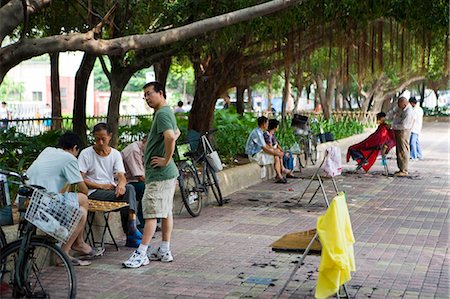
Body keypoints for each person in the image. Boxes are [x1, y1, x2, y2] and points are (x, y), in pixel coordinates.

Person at [123, 81, 180, 268]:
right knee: (165, 212)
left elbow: (171, 136)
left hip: (160, 174)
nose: (147, 98)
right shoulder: (166, 112)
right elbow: (176, 132)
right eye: (144, 95)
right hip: (166, 174)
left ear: (161, 93)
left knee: (151, 214)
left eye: (149, 94)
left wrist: (165, 159)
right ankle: (164, 249)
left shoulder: (163, 113)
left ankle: (141, 253)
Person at [26, 132, 104, 266]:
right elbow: (83, 189)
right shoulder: (69, 158)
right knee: (83, 201)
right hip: (44, 201)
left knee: (80, 212)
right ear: (75, 148)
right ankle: (70, 249)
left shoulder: (47, 151)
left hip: (29, 198)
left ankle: (78, 244)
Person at [78, 122, 142, 247]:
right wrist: (101, 186)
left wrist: (121, 185)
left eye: (103, 139)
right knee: (128, 198)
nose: (100, 142)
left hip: (110, 191)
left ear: (110, 136)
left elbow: (121, 176)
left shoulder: (115, 154)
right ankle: (132, 233)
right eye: (97, 139)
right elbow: (80, 179)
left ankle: (132, 228)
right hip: (94, 192)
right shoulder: (86, 153)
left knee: (129, 189)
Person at [245, 116, 286, 183]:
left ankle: (279, 175)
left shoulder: (259, 131)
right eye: (267, 123)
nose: (268, 125)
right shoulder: (257, 133)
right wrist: (276, 153)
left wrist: (275, 151)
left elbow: (265, 146)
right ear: (264, 124)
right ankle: (279, 176)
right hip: (254, 155)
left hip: (258, 153)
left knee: (276, 154)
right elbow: (265, 148)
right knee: (276, 156)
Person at [121, 136, 149, 232]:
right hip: (125, 183)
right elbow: (139, 176)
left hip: (133, 181)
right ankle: (141, 224)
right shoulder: (134, 150)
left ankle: (152, 221)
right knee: (146, 188)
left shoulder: (144, 150)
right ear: (145, 141)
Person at [387, 97, 414, 176]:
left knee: (403, 150)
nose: (398, 107)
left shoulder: (409, 112)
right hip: (398, 130)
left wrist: (392, 126)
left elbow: (404, 125)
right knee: (399, 151)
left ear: (404, 104)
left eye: (399, 105)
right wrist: (386, 117)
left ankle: (404, 170)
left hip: (403, 131)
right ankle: (400, 169)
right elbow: (393, 112)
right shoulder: (400, 107)